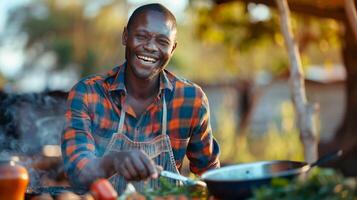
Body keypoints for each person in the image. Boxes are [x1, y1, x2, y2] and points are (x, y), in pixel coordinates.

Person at [61, 3, 220, 193]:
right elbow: (78, 173)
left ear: (173, 49)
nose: (151, 47)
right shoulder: (88, 93)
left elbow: (210, 176)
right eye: (142, 36)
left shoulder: (191, 100)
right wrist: (114, 161)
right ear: (125, 36)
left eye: (162, 41)